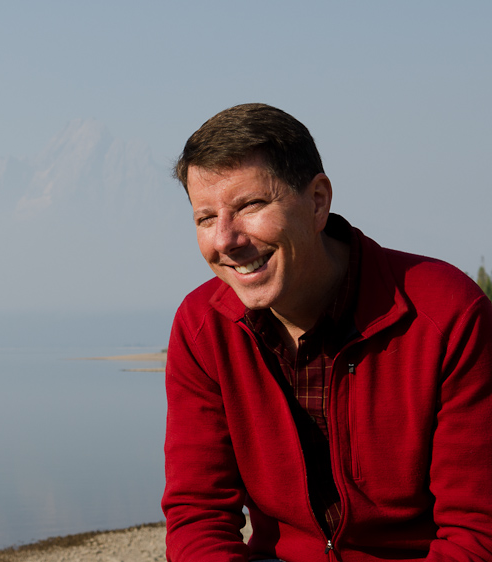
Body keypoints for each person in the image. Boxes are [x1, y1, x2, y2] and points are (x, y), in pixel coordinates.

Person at [161, 103, 492, 561]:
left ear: (317, 201)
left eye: (250, 205)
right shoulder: (203, 327)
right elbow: (197, 516)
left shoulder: (447, 313)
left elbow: (476, 533)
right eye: (205, 218)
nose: (225, 240)